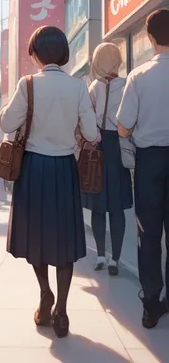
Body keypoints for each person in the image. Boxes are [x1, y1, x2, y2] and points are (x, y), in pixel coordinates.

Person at [0, 26, 98, 338]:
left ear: (35, 52)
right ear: (64, 53)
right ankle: (63, 313)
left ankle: (45, 295)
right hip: (65, 168)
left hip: (34, 168)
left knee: (36, 237)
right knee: (64, 240)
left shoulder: (28, 84)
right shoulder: (77, 87)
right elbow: (93, 134)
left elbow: (5, 122)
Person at [117, 8, 169, 329]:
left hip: (150, 162)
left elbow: (123, 127)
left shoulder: (139, 76)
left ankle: (151, 305)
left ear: (150, 38)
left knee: (148, 235)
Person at [82, 43, 133, 276]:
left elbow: (87, 119)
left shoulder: (94, 86)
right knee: (117, 208)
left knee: (99, 206)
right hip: (119, 147)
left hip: (99, 146)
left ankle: (100, 254)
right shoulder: (126, 86)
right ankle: (116, 259)